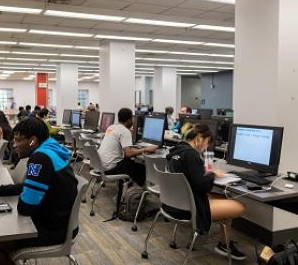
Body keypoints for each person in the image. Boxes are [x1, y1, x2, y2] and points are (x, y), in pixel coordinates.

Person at [0, 119, 78, 265]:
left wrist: (12, 204)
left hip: (52, 230)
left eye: (18, 140)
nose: (14, 145)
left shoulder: (39, 160)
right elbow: (30, 185)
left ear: (32, 140)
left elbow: (26, 208)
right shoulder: (50, 149)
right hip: (61, 221)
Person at [165, 123, 246, 261]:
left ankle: (223, 244)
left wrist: (206, 172)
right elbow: (203, 187)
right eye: (207, 142)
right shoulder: (191, 155)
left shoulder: (176, 151)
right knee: (238, 206)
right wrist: (212, 174)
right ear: (201, 138)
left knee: (221, 198)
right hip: (190, 209)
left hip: (172, 205)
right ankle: (224, 245)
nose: (206, 147)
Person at [98, 108, 157, 186]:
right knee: (141, 169)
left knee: (129, 162)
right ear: (129, 119)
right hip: (110, 168)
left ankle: (127, 188)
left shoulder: (111, 127)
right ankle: (136, 194)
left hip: (100, 165)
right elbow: (128, 153)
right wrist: (146, 149)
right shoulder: (125, 131)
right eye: (132, 119)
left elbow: (124, 152)